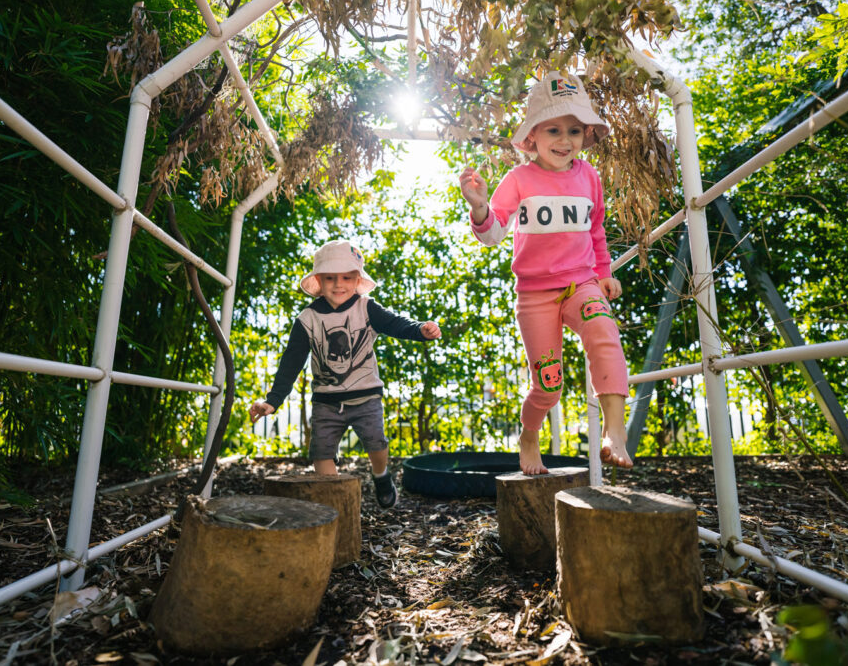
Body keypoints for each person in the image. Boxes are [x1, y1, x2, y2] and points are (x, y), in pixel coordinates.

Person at [458, 70, 632, 475]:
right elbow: (493, 232)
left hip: (582, 282)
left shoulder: (589, 176)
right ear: (532, 136)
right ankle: (529, 435)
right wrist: (480, 207)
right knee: (548, 385)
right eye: (553, 129)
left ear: (585, 136)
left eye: (574, 130)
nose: (565, 140)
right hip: (535, 294)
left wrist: (604, 272)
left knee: (603, 329)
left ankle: (615, 431)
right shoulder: (519, 179)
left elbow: (596, 229)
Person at [249, 239, 441, 508]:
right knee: (321, 454)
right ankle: (336, 502)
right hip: (327, 401)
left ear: (356, 279)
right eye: (330, 278)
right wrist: (273, 399)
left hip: (366, 396)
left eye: (346, 277)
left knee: (376, 442)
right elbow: (291, 362)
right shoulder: (308, 319)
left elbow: (395, 324)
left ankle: (381, 475)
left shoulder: (366, 307)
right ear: (319, 280)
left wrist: (420, 330)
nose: (339, 284)